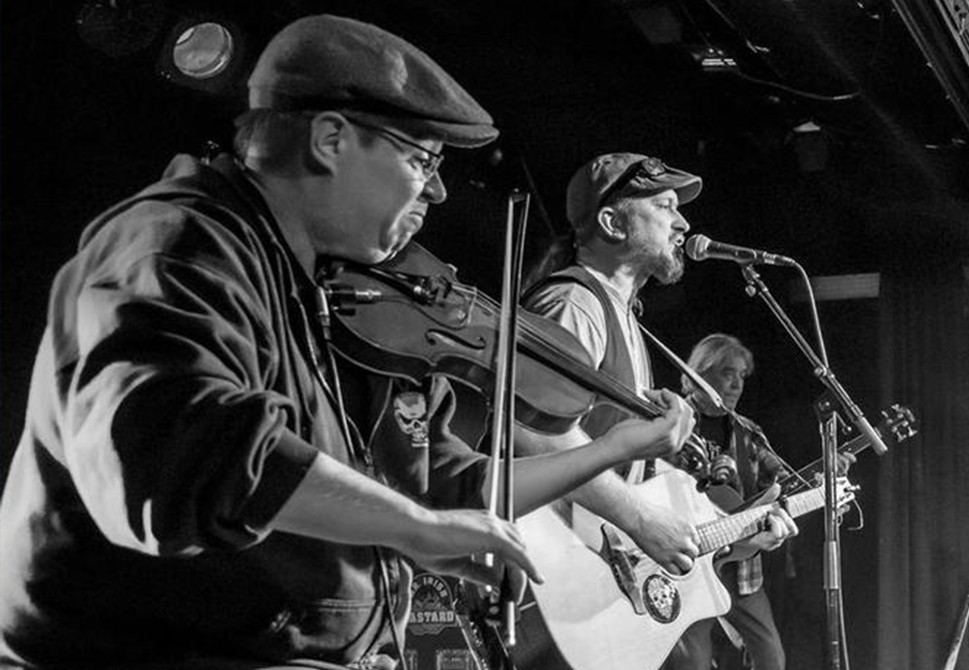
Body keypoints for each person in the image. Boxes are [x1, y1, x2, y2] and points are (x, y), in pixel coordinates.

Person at [0, 16, 696, 670]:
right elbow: (184, 454)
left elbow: (446, 484)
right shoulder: (176, 245)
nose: (437, 191)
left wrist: (610, 449)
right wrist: (413, 528)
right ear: (331, 139)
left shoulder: (340, 297)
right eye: (421, 159)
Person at [519, 154, 799, 666]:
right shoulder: (574, 305)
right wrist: (641, 518)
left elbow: (629, 478)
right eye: (665, 206)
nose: (683, 223)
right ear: (612, 222)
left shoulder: (624, 316)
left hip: (596, 580)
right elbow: (530, 436)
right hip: (553, 584)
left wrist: (738, 533)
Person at [670, 333, 857, 670]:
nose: (736, 384)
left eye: (742, 376)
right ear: (699, 373)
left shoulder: (747, 432)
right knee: (692, 662)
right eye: (727, 373)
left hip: (740, 565)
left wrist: (824, 475)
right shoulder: (673, 419)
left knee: (771, 658)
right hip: (684, 561)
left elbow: (784, 482)